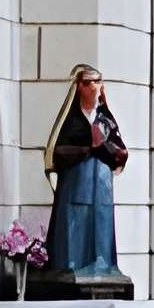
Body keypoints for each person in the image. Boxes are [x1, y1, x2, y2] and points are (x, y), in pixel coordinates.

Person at [41, 64, 129, 287]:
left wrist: (102, 147)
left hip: (100, 188)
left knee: (100, 226)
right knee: (73, 229)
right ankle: (70, 265)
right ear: (79, 87)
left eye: (97, 82)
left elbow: (120, 152)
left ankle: (103, 266)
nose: (94, 88)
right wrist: (85, 149)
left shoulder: (104, 120)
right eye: (88, 83)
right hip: (75, 186)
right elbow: (57, 151)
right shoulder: (70, 120)